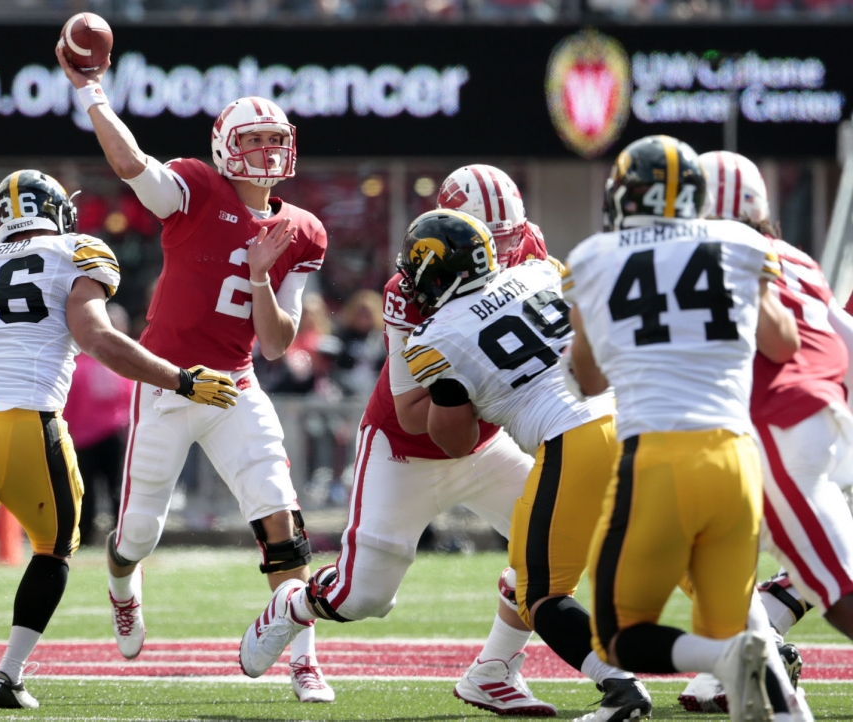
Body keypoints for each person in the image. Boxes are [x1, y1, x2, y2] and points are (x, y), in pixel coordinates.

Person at [239, 168, 644, 718]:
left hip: (491, 440)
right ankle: (296, 602)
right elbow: (415, 408)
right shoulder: (410, 292)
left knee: (549, 555)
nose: (501, 249)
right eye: (488, 236)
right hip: (408, 445)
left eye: (509, 235)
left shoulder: (529, 249)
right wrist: (474, 382)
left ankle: (494, 673)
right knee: (364, 598)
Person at [0, 170, 237, 709]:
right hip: (24, 420)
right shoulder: (77, 250)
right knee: (54, 549)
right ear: (59, 210)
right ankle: (7, 676)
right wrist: (182, 379)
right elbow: (97, 337)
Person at [56, 47, 332, 701]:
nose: (266, 150)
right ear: (225, 147)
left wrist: (262, 274)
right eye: (254, 139)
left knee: (281, 515)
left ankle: (304, 659)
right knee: (136, 534)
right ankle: (123, 585)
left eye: (274, 139)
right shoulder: (195, 189)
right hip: (168, 383)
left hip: (235, 384)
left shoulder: (302, 230)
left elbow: (274, 341)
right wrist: (92, 91)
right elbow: (129, 165)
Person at [562, 136, 800, 722]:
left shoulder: (593, 257)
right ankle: (778, 697)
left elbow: (589, 380)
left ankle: (722, 657)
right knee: (741, 620)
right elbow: (784, 342)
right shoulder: (741, 242)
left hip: (657, 456)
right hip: (737, 459)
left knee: (618, 635)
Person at [675, 150, 853, 714]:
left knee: (840, 591)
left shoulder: (701, 256)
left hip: (774, 428)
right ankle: (769, 699)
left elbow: (777, 342)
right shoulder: (797, 257)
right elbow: (840, 334)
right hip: (803, 419)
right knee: (721, 573)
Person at [63, 302, 134, 545]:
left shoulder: (87, 363)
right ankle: (94, 535)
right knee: (89, 490)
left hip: (107, 434)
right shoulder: (82, 363)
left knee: (112, 488)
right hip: (87, 436)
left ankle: (115, 534)